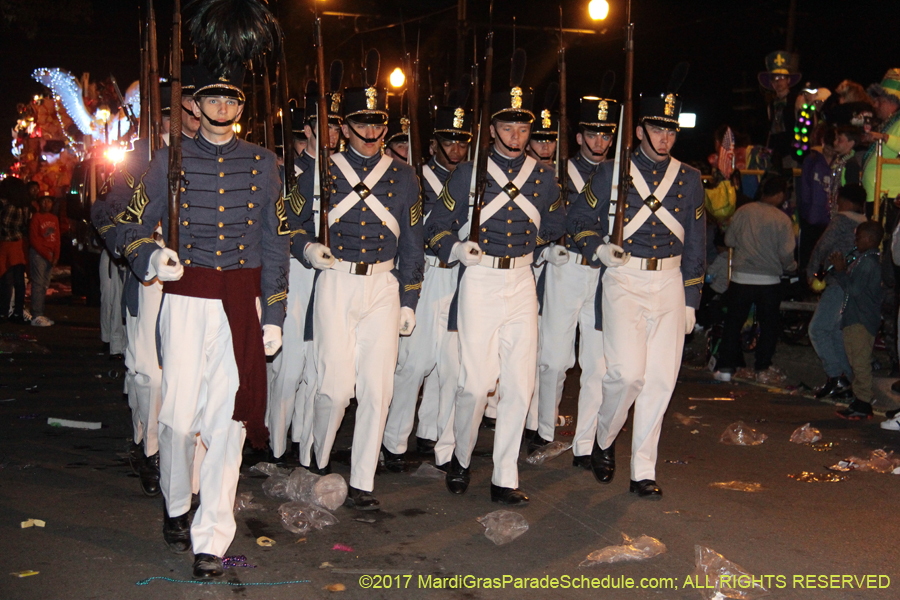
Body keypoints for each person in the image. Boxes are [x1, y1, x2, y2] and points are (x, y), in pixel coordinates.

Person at [118, 64, 290, 578]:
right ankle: (176, 504)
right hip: (187, 300)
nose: (221, 106)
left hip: (240, 303)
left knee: (228, 424)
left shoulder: (264, 163)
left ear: (242, 107)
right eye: (211, 97)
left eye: (230, 99)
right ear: (196, 103)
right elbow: (125, 217)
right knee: (176, 421)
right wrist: (150, 254)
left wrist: (274, 311)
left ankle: (211, 537)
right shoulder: (169, 159)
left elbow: (275, 241)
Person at [426, 52, 565, 505]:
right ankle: (462, 456)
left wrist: (555, 248)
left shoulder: (543, 177)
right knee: (475, 381)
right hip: (480, 279)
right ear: (492, 130)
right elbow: (433, 227)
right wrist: (455, 246)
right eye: (508, 128)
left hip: (522, 280)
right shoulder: (468, 173)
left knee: (520, 383)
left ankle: (506, 475)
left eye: (523, 129)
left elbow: (555, 225)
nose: (517, 136)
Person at [576, 73, 705, 500]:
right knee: (627, 374)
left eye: (670, 129)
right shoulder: (612, 172)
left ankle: (643, 470)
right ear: (639, 130)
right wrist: (598, 249)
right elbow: (578, 222)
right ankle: (605, 436)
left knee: (660, 381)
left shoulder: (689, 179)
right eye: (656, 128)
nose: (664, 137)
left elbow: (697, 241)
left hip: (669, 280)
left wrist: (691, 297)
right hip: (625, 278)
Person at [306, 63, 424, 510]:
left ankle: (362, 482)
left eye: (377, 123)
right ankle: (318, 460)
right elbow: (291, 225)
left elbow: (413, 244)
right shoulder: (322, 170)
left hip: (383, 285)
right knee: (335, 388)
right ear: (344, 126)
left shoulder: (405, 176)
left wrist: (409, 297)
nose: (371, 131)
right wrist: (307, 250)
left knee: (378, 389)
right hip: (337, 280)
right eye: (362, 122)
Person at [528, 95, 620, 468]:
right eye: (593, 134)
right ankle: (544, 429)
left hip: (604, 273)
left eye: (606, 135)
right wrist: (547, 248)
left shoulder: (618, 174)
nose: (599, 142)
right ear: (579, 136)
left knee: (597, 363)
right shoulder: (557, 173)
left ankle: (586, 443)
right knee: (553, 359)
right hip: (565, 267)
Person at [383, 96, 472, 471]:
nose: (456, 148)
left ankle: (434, 434)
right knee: (415, 361)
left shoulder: (474, 176)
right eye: (448, 140)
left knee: (451, 363)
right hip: (426, 269)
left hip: (464, 273)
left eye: (461, 141)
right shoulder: (414, 176)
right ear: (433, 143)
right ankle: (394, 441)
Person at [266, 82, 341, 466]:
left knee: (320, 367)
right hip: (296, 274)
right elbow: (281, 226)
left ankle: (307, 449)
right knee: (290, 365)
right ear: (308, 129)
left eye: (336, 126)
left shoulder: (343, 173)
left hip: (333, 278)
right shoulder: (288, 173)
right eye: (325, 126)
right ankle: (277, 447)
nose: (332, 134)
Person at [715, 177, 796, 383]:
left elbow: (729, 240)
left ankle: (725, 367)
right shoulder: (782, 219)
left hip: (741, 278)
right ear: (779, 195)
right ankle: (762, 368)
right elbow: (786, 252)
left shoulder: (743, 211)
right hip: (768, 281)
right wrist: (791, 267)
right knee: (769, 327)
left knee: (733, 324)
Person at [807, 184, 867, 400]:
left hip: (839, 283)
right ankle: (846, 380)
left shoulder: (842, 221)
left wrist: (812, 271)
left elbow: (823, 246)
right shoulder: (866, 224)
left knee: (817, 329)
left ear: (846, 202)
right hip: (858, 287)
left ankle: (836, 376)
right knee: (834, 332)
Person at [832, 220, 884, 420]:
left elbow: (854, 290)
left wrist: (839, 271)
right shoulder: (865, 259)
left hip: (860, 319)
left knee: (860, 362)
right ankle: (860, 400)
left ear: (870, 239)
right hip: (859, 317)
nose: (856, 240)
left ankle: (863, 403)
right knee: (856, 360)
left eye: (859, 237)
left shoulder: (868, 262)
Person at [797, 126, 834, 275]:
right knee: (810, 253)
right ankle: (806, 282)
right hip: (812, 216)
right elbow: (805, 189)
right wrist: (805, 212)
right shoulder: (812, 160)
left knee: (827, 254)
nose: (831, 151)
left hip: (830, 217)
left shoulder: (840, 161)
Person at [758, 50, 802, 166]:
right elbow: (770, 131)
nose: (779, 82)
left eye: (782, 77)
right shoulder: (771, 105)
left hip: (792, 152)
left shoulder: (797, 100)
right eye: (775, 79)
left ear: (788, 80)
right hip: (775, 154)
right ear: (771, 83)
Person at [0, 177, 31, 323]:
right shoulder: (24, 206)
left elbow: (5, 224)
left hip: (6, 244)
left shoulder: (8, 206)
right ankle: (18, 311)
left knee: (6, 279)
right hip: (19, 244)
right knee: (19, 280)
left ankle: (3, 310)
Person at [28, 193, 59, 326]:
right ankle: (36, 314)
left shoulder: (54, 218)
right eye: (44, 201)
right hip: (39, 255)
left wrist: (56, 256)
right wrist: (47, 255)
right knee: (39, 284)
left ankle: (40, 312)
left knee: (44, 285)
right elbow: (34, 239)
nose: (46, 204)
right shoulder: (36, 218)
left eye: (49, 201)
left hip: (49, 256)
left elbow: (57, 239)